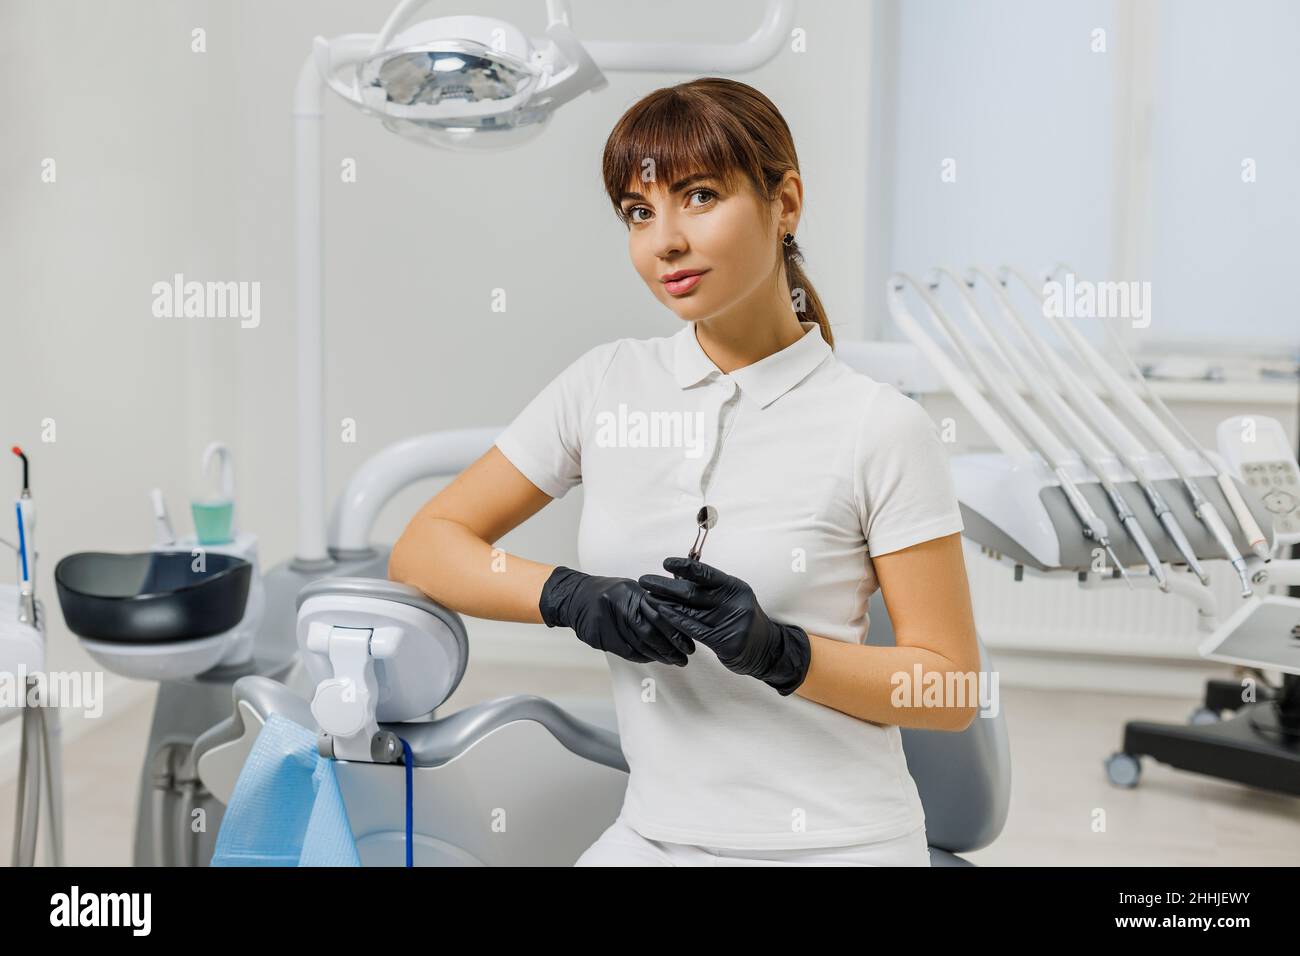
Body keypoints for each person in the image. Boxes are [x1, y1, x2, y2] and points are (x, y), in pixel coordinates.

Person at [389, 77, 980, 866]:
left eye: (699, 197)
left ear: (786, 202)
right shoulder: (604, 385)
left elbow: (949, 691)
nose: (664, 240)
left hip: (841, 843)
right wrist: (569, 597)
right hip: (653, 837)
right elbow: (426, 545)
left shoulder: (879, 426)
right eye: (639, 212)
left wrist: (784, 653)